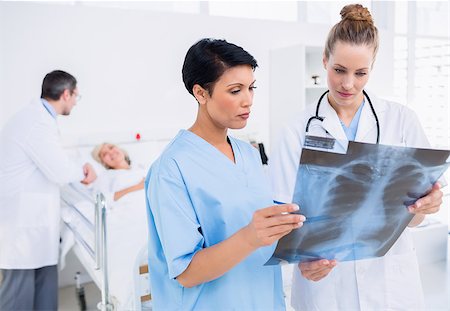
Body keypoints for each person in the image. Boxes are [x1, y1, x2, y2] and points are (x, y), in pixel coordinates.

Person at [269, 4, 444, 311]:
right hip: (326, 287)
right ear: (324, 60)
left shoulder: (401, 121)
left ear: (371, 68)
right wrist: (304, 261)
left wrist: (427, 205)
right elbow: (283, 218)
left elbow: (417, 216)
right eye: (339, 70)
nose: (348, 84)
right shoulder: (297, 129)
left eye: (360, 73)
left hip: (390, 284)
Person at [145, 38, 306, 310]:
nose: (248, 101)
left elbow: (264, 232)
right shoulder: (171, 169)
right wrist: (249, 237)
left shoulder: (249, 154)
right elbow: (186, 272)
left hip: (264, 299)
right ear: (201, 93)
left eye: (251, 88)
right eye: (235, 91)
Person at [0, 70, 97, 310]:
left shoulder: (39, 119)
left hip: (34, 224)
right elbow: (60, 171)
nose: (75, 101)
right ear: (66, 94)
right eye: (76, 96)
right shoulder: (35, 122)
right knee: (18, 298)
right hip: (21, 228)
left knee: (43, 294)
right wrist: (84, 171)